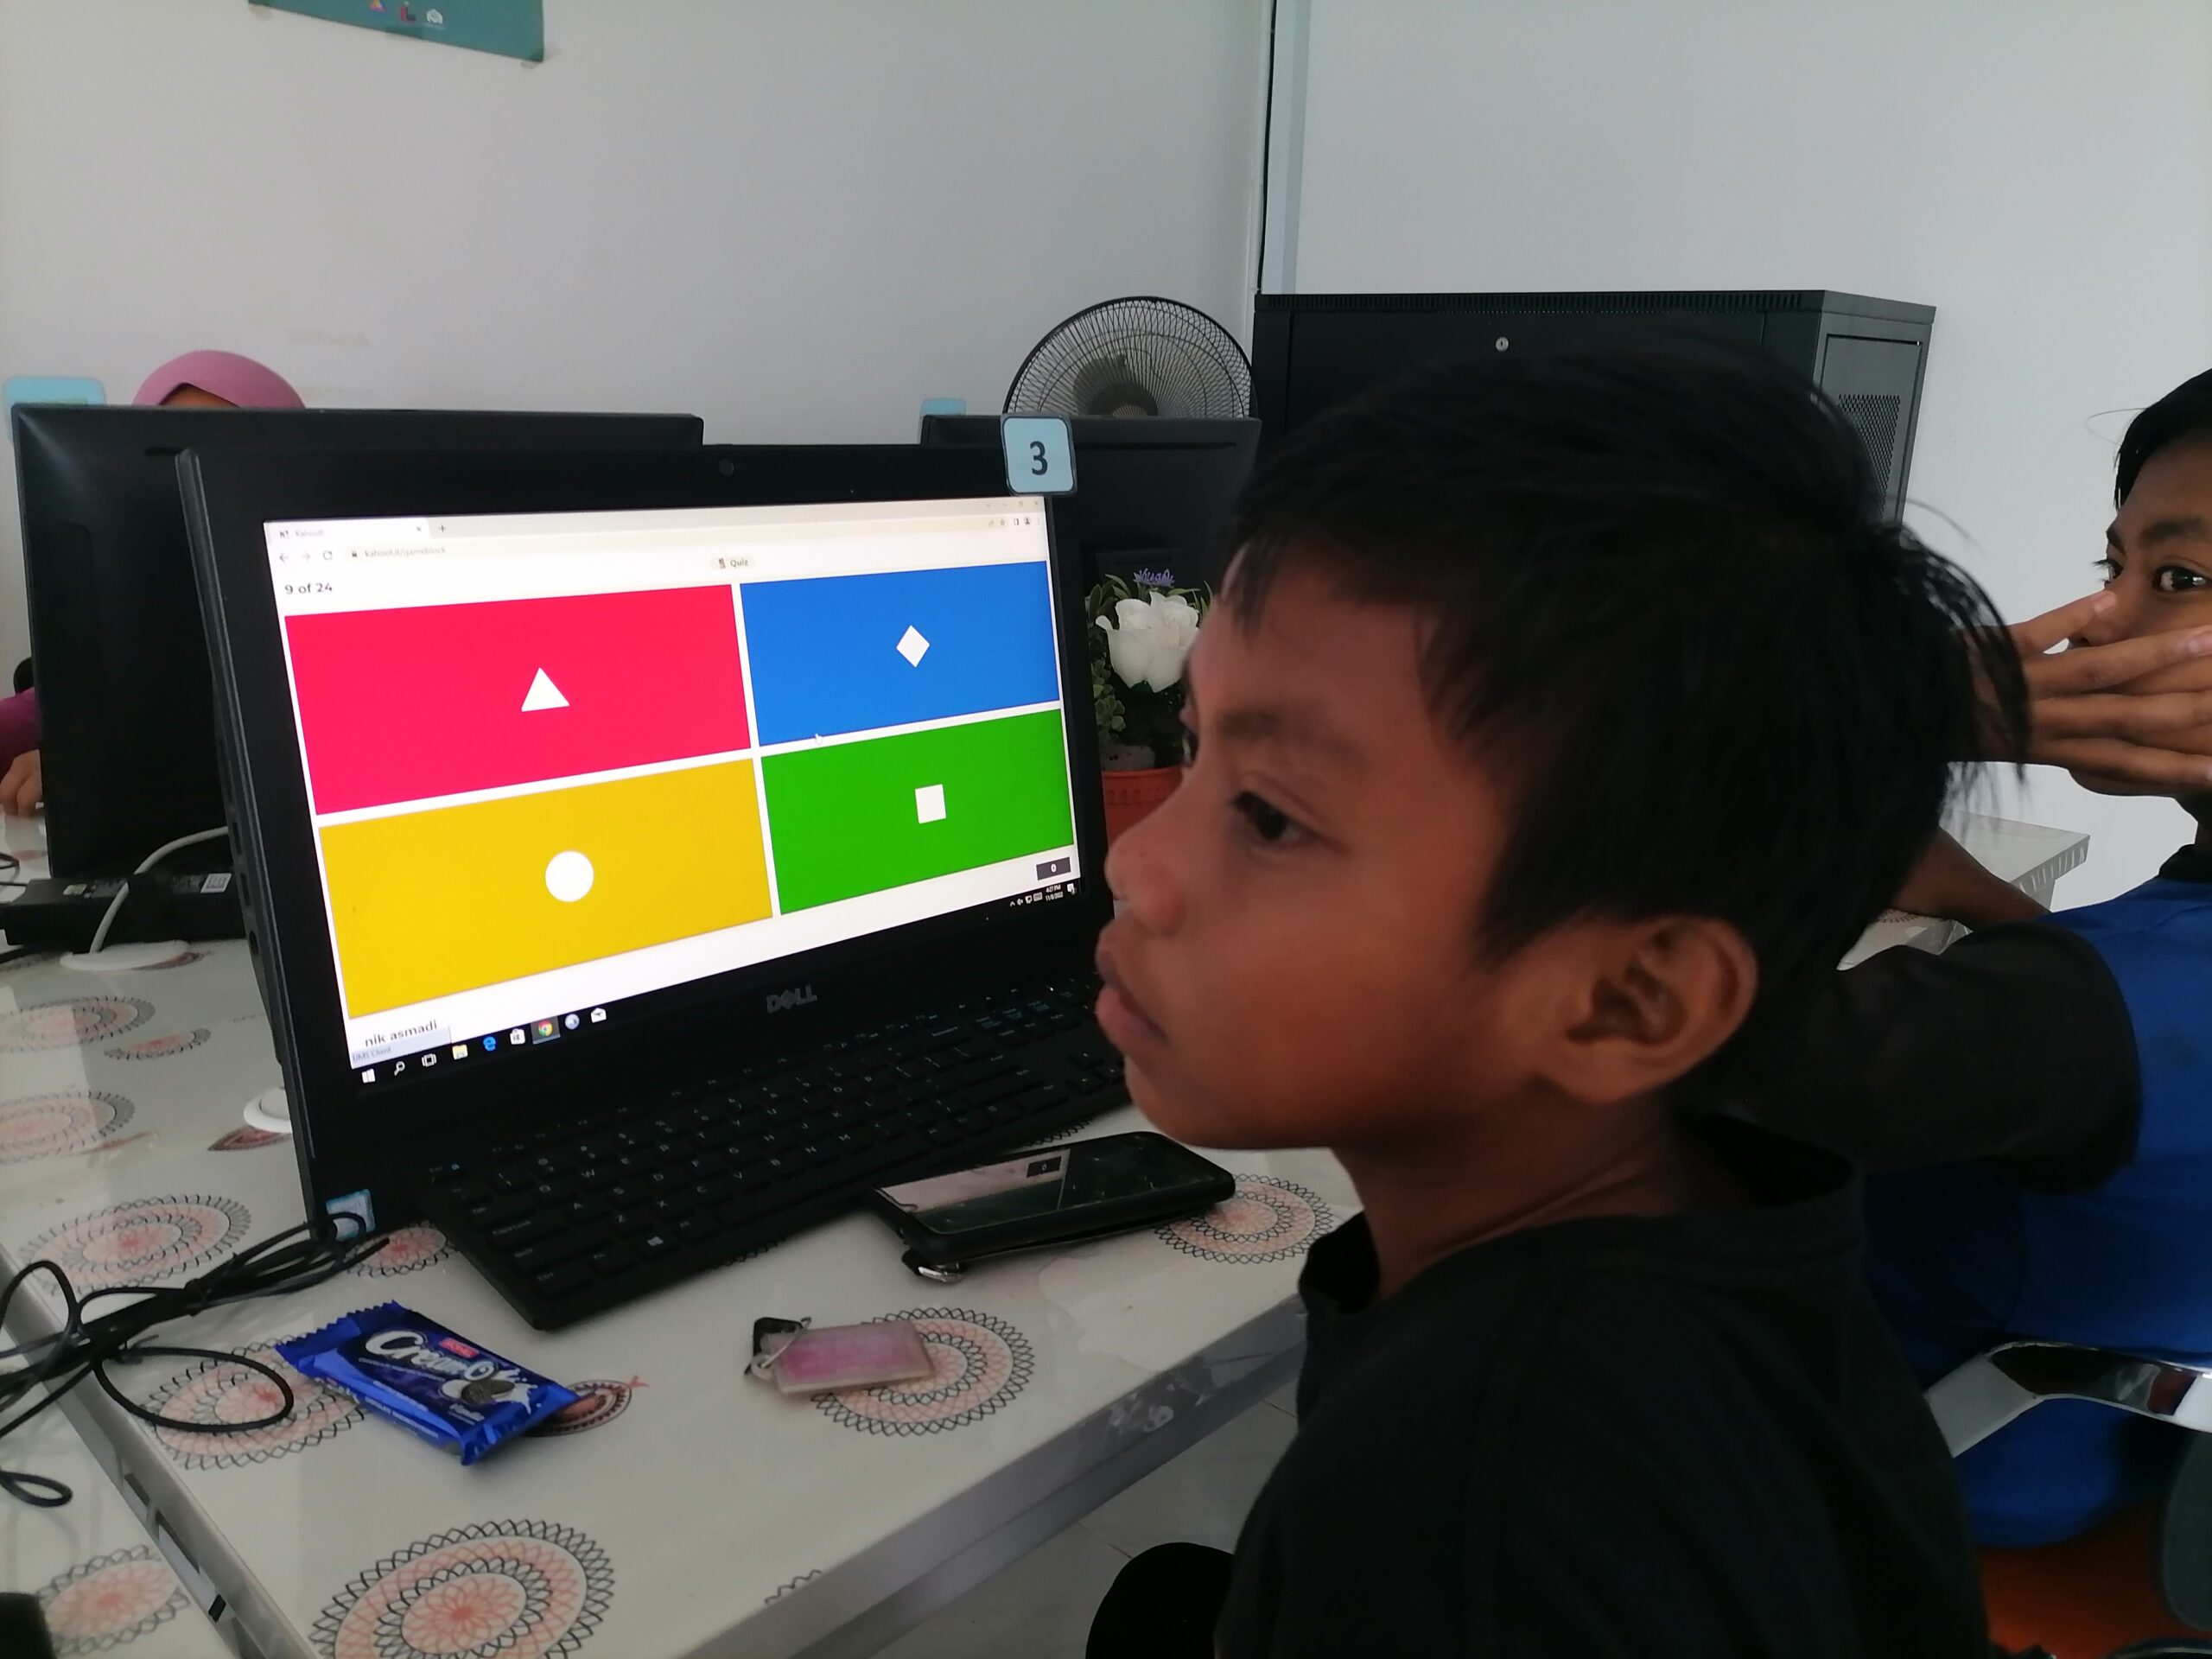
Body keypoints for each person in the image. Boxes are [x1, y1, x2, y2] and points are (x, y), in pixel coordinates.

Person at [1087, 346, 2026, 1658]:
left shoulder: (1463, 1506)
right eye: (1194, 744)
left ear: (1630, 1002)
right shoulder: (1729, 1213)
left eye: (1271, 816)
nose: (1138, 866)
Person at [1761, 365, 2212, 1550]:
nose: (2096, 620)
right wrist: (1981, 902)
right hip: (2131, 1470)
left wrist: (1868, 717)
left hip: (1919, 1473)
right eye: (2112, 568)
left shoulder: (2071, 1015)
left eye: (2179, 579)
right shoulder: (2111, 997)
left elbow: (1643, 1055)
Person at [0, 349, 303, 816]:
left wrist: (110, 767)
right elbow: (40, 715)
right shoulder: (125, 618)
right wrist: (71, 759)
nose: (198, 485)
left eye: (226, 457)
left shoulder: (332, 607)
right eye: (171, 460)